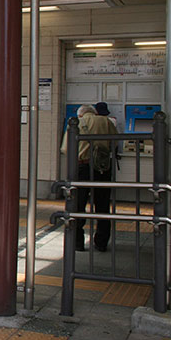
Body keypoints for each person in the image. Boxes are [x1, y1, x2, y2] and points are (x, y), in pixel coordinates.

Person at [61, 104, 118, 251]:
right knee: (103, 206)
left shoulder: (76, 123)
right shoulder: (106, 122)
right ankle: (101, 242)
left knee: (78, 205)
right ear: (94, 113)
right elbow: (115, 142)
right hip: (102, 168)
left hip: (82, 168)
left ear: (80, 115)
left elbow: (66, 149)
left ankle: (77, 242)